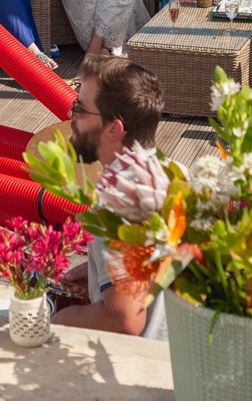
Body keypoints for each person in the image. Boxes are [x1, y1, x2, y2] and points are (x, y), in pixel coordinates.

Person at [52, 54, 167, 339]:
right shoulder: (169, 172)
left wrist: (57, 321)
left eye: (80, 108)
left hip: (141, 370)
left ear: (114, 129)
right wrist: (101, 274)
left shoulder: (117, 198)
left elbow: (124, 319)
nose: (71, 117)